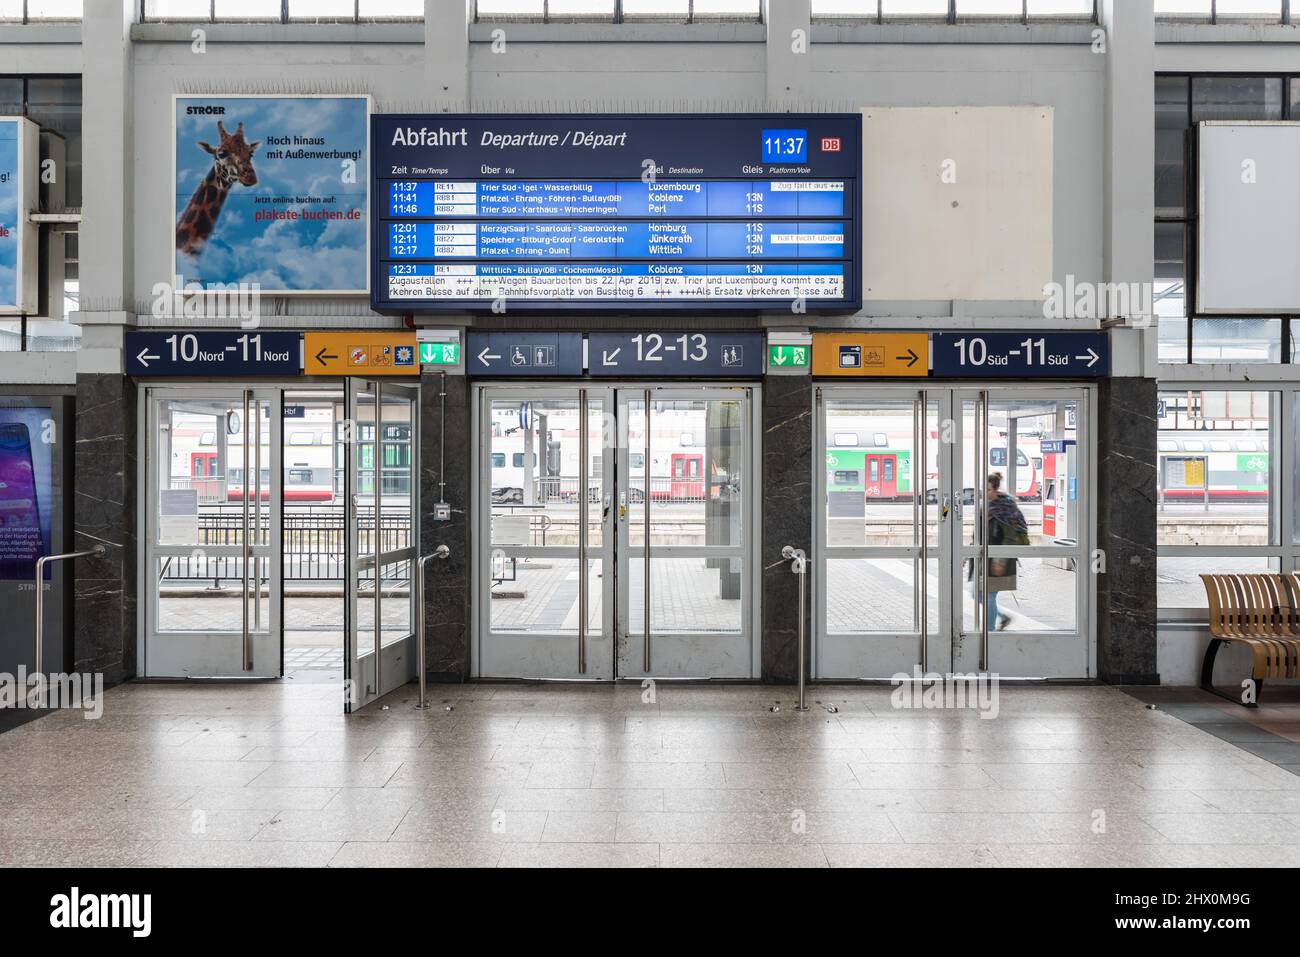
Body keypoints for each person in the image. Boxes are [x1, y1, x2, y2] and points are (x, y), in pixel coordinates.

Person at [970, 471, 1030, 632]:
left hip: (997, 559)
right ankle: (1004, 618)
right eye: (983, 489)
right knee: (976, 594)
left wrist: (1000, 560)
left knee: (989, 596)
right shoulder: (985, 507)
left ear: (996, 489)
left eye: (988, 489)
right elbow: (979, 533)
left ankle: (989, 632)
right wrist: (969, 551)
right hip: (984, 558)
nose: (985, 492)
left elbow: (1009, 537)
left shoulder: (1006, 509)